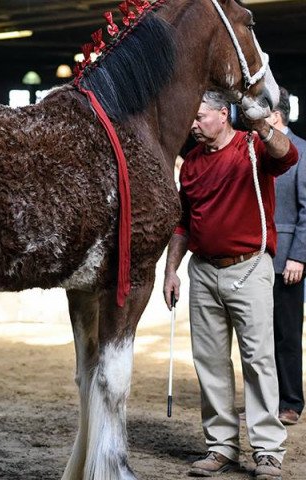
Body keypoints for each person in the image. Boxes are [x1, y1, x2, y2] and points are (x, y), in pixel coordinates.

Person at [163, 91, 298, 480]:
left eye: (201, 116)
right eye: (191, 116)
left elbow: (288, 155)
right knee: (209, 363)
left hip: (250, 267)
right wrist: (171, 271)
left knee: (258, 360)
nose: (193, 123)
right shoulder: (189, 163)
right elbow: (182, 223)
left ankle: (268, 451)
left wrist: (261, 124)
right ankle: (221, 447)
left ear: (224, 115)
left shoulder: (253, 148)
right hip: (202, 271)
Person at [267, 87, 306, 426]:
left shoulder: (303, 152)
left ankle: (291, 401)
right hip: (254, 260)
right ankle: (265, 401)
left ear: (275, 117)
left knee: (287, 334)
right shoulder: (256, 150)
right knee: (258, 337)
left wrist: (299, 257)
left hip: (287, 261)